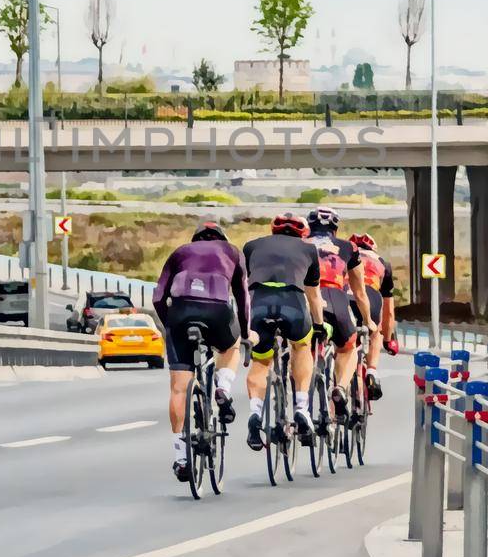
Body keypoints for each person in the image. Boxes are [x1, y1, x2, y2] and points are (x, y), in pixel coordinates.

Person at [152, 221, 249, 484]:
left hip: (181, 312)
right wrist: (247, 332)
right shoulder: (232, 251)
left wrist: (169, 322)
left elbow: (158, 297)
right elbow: (242, 297)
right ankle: (223, 388)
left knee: (178, 389)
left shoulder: (180, 252)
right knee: (230, 346)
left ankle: (181, 458)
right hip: (217, 311)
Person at [241, 212, 324, 452]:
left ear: (272, 229)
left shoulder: (252, 246)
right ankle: (301, 408)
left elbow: (242, 284)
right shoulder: (309, 250)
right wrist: (318, 326)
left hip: (258, 302)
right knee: (301, 347)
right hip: (293, 301)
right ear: (303, 232)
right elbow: (314, 295)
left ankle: (255, 414)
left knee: (261, 361)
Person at [304, 207, 371, 417]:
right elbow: (360, 293)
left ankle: (300, 402)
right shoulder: (348, 247)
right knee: (349, 347)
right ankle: (340, 387)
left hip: (306, 299)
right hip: (335, 298)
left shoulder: (299, 245)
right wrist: (369, 321)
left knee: (300, 347)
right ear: (335, 229)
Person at [348, 233, 395, 401]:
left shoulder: (343, 254)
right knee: (376, 331)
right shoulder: (383, 263)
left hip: (346, 296)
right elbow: (389, 312)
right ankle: (372, 371)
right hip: (371, 296)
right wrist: (388, 340)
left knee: (344, 344)